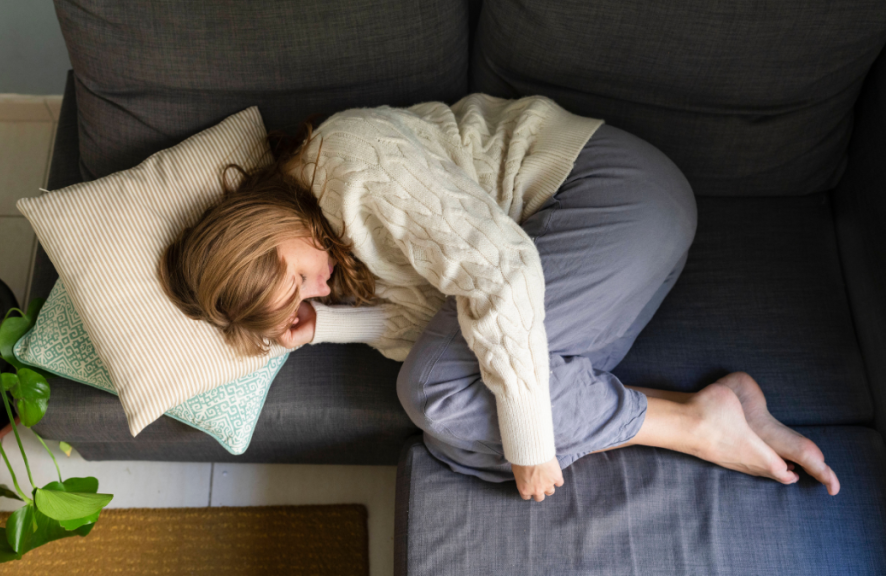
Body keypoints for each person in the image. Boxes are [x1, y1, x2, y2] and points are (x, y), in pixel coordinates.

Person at [158, 93, 840, 503]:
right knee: (453, 434)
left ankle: (693, 425)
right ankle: (706, 414)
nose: (319, 288)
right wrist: (325, 328)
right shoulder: (325, 240)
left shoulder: (349, 166)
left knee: (439, 397)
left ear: (269, 224)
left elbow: (501, 273)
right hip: (593, 259)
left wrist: (532, 444)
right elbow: (444, 322)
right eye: (300, 297)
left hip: (611, 198)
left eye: (297, 275)